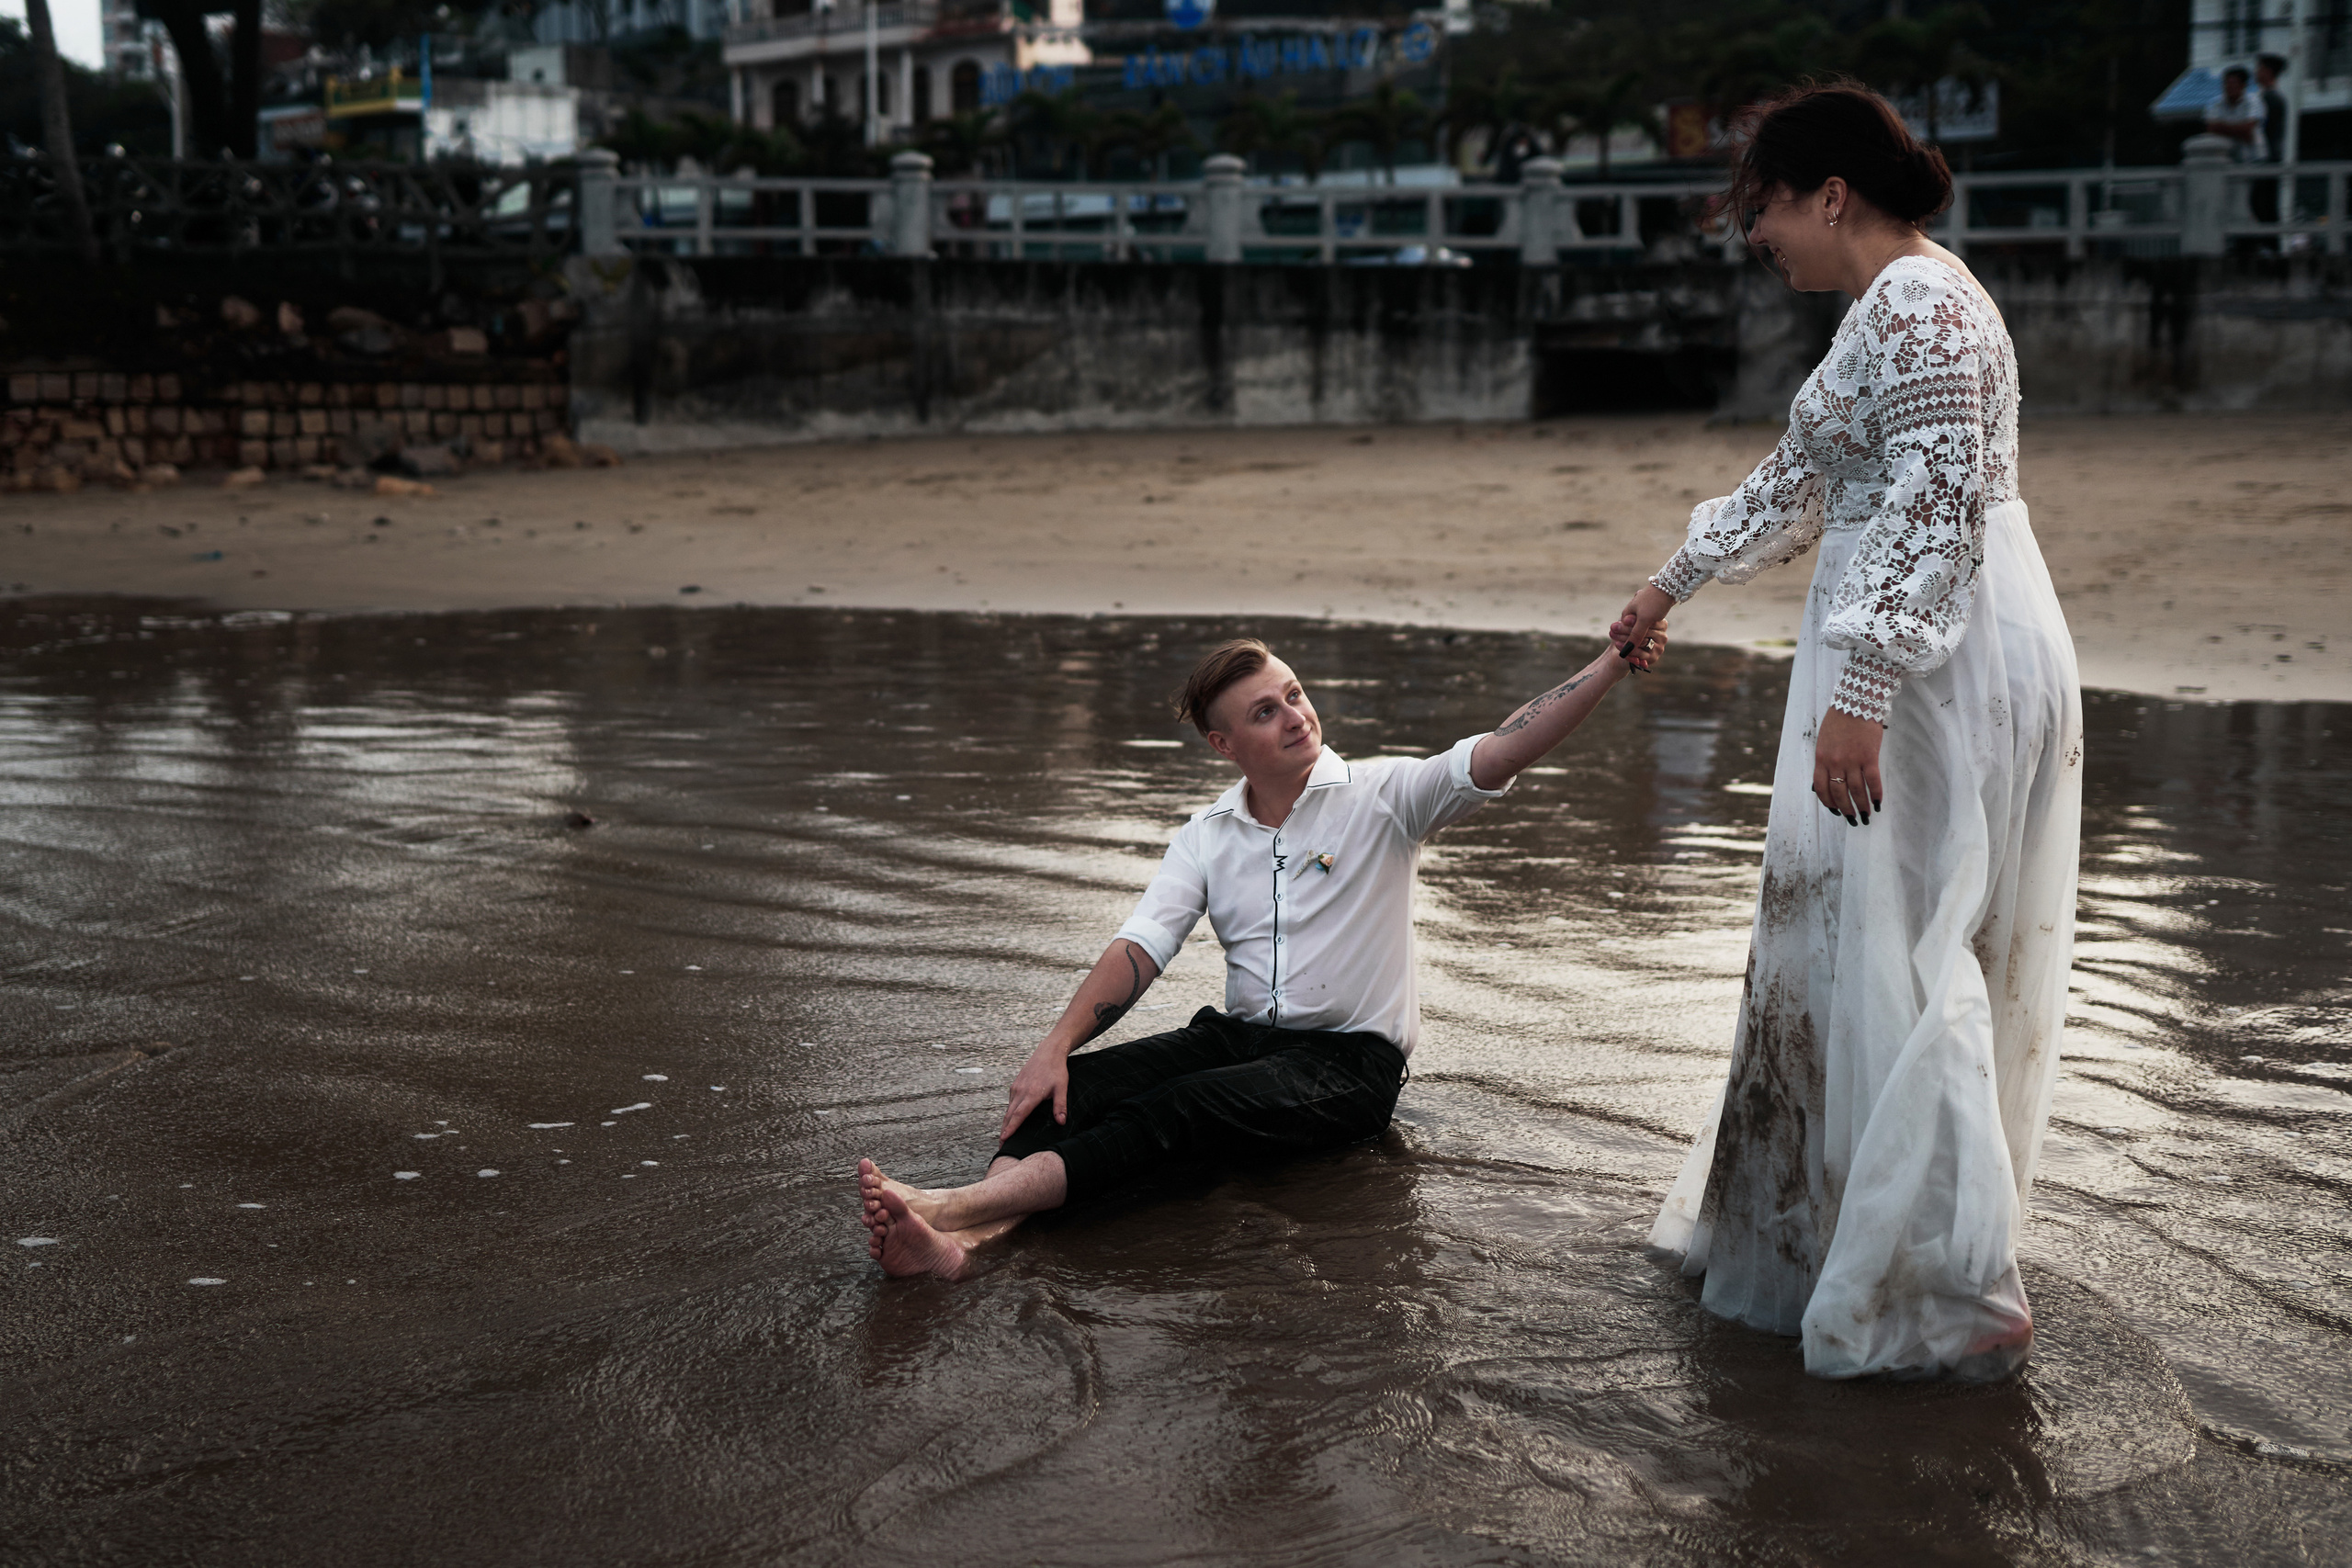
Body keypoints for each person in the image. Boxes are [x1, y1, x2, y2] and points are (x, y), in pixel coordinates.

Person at [1612, 82, 2084, 1382]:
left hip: (1936, 660)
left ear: (1830, 194)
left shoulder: (1923, 306)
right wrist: (1673, 579)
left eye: (1762, 209)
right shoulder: (1890, 308)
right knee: (1869, 948)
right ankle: (1857, 1238)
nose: (1757, 237)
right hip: (1922, 641)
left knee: (1905, 955)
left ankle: (1946, 1284)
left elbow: (1935, 509)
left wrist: (1861, 692)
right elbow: (1809, 477)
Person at [859, 627, 1668, 1280]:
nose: (1294, 716)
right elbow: (1144, 943)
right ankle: (966, 1251)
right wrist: (1055, 1048)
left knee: (1180, 1108)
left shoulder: (1385, 799)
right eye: (1265, 711)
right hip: (1242, 1040)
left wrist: (1609, 662)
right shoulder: (1209, 834)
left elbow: (1505, 747)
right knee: (1063, 1097)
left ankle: (951, 1208)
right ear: (1223, 743)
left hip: (1347, 1069)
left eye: (1295, 694)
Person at [2205, 65, 2267, 164]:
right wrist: (2240, 129)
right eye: (2226, 83)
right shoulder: (2215, 103)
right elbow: (2211, 128)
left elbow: (2248, 129)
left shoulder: (2254, 101)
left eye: (2233, 83)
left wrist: (2222, 127)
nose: (2229, 87)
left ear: (2243, 85)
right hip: (2229, 159)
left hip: (2254, 157)